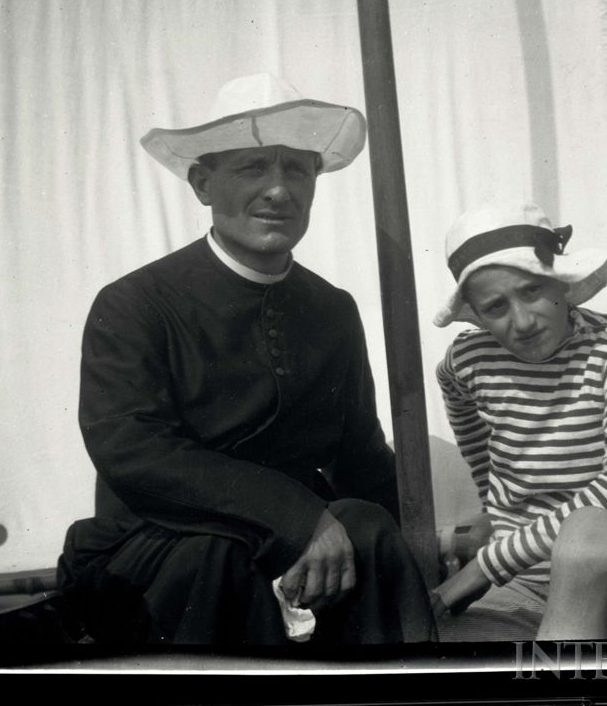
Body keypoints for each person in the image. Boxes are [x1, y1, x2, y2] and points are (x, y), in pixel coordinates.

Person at [57, 73, 436, 646]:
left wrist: (417, 550)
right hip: (165, 546)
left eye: (296, 169)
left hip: (308, 547)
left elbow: (358, 454)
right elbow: (133, 452)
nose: (279, 191)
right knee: (218, 558)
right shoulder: (136, 302)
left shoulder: (331, 308)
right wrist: (295, 517)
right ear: (203, 184)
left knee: (370, 529)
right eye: (253, 167)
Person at [429, 201, 607, 641]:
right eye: (496, 307)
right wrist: (492, 498)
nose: (522, 321)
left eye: (533, 291)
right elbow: (453, 390)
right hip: (525, 585)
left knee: (587, 530)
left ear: (561, 281)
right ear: (477, 316)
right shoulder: (470, 360)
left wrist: (485, 565)